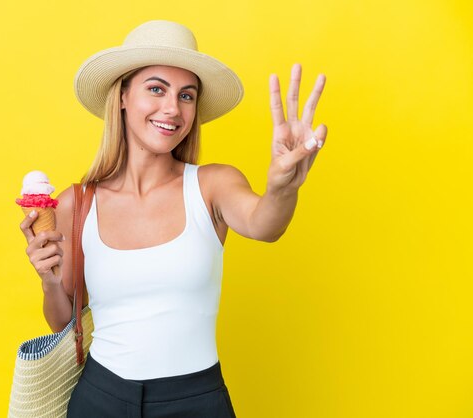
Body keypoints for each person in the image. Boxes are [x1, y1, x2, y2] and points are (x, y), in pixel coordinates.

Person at [19, 20, 327, 417]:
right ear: (123, 96)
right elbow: (65, 323)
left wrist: (283, 187)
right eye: (156, 88)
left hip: (196, 401)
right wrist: (48, 281)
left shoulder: (213, 184)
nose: (172, 108)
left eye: (186, 95)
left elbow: (265, 225)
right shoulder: (76, 203)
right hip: (100, 398)